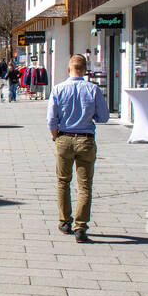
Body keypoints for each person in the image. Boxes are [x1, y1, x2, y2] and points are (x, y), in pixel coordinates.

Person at [48, 54, 111, 243]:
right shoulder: (93, 90)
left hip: (64, 139)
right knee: (85, 185)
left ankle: (65, 221)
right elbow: (104, 117)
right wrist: (89, 117)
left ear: (69, 69)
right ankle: (81, 227)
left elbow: (51, 119)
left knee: (63, 181)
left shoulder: (58, 89)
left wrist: (55, 136)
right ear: (85, 70)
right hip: (86, 139)